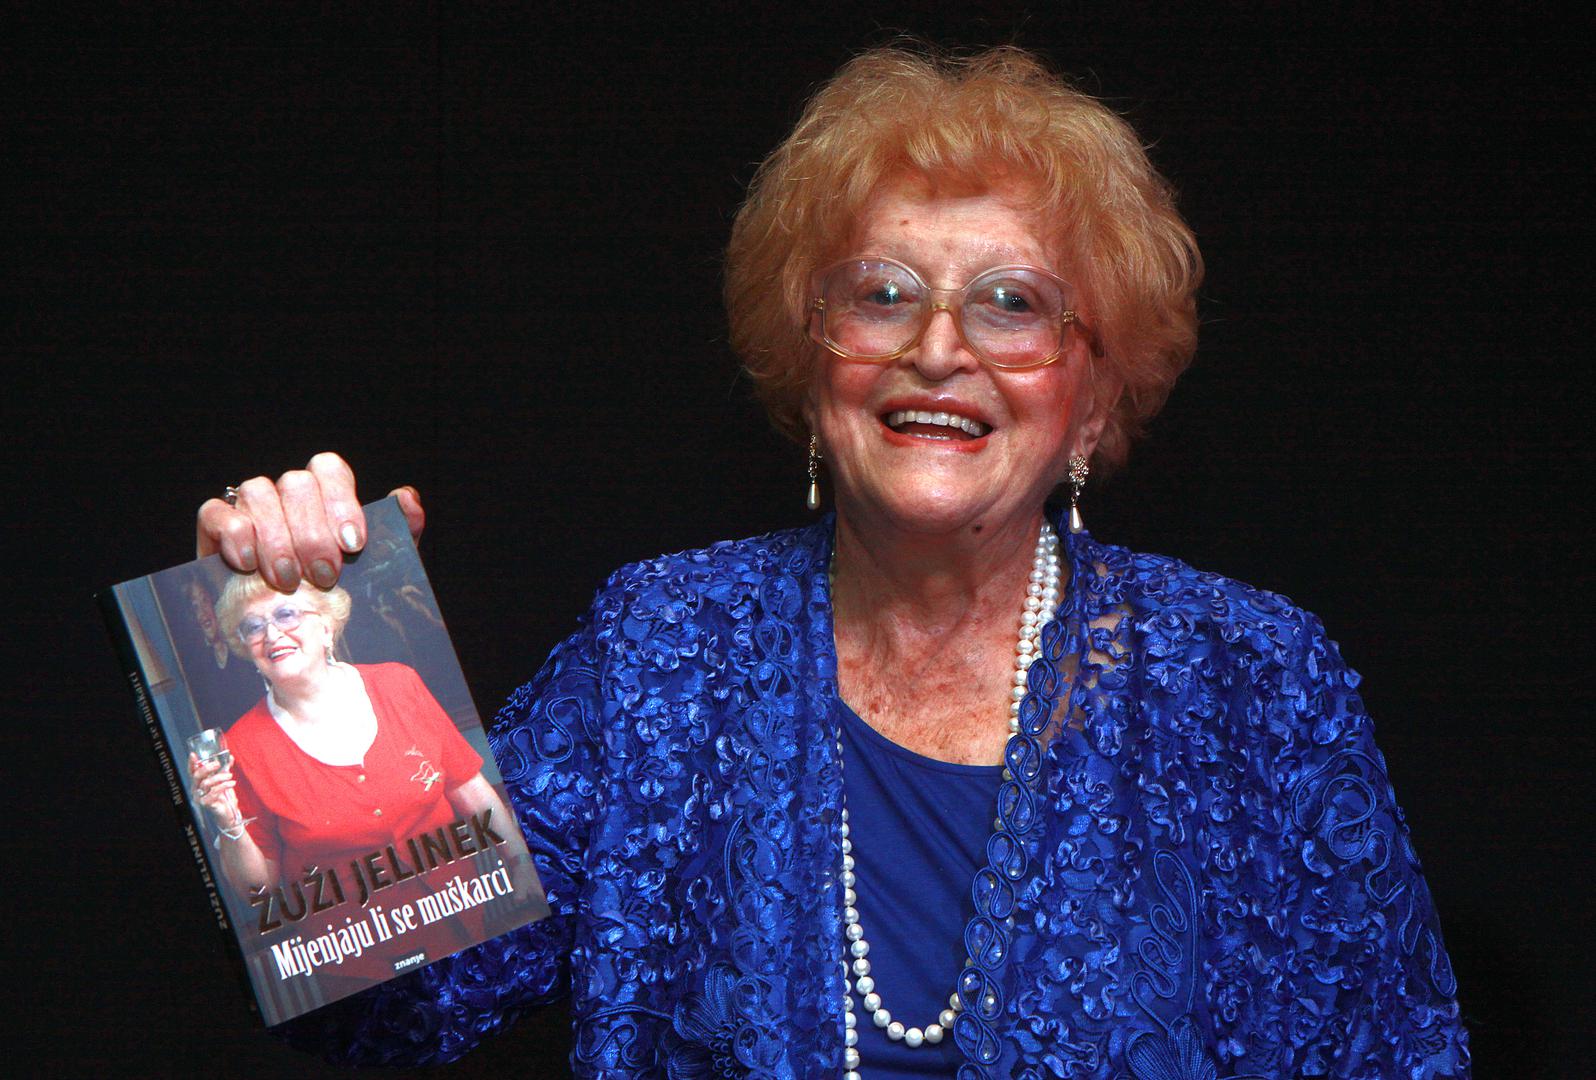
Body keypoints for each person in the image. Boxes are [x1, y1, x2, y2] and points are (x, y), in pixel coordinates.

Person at [195, 45, 1469, 1079]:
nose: (938, 349)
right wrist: (289, 634)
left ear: (1093, 397)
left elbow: (1401, 1059)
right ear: (811, 371)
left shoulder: (1251, 677)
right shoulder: (662, 645)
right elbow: (388, 1005)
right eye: (881, 293)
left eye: (1013, 303)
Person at [189, 574, 536, 979]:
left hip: (462, 923)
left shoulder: (398, 684)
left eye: (286, 614)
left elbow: (468, 788)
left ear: (326, 626)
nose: (271, 634)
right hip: (354, 962)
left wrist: (520, 859)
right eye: (253, 626)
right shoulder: (242, 746)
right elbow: (258, 892)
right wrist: (229, 824)